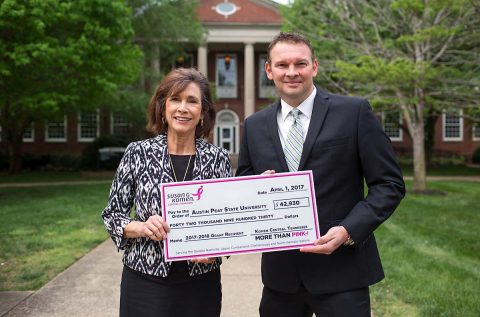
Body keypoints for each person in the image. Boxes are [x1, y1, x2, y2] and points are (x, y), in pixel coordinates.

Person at [236, 32, 405, 317]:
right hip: (280, 280)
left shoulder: (354, 113)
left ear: (314, 66)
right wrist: (255, 190)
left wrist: (349, 230)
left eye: (300, 64)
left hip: (342, 274)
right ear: (269, 70)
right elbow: (243, 187)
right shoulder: (254, 125)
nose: (292, 72)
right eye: (282, 65)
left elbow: (388, 184)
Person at [102, 68, 232, 317]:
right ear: (163, 106)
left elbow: (226, 224)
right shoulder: (137, 153)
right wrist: (141, 227)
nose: (183, 108)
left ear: (203, 112)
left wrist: (216, 248)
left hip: (200, 284)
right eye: (175, 99)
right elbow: (112, 215)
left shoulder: (219, 159)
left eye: (192, 101)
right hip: (145, 281)